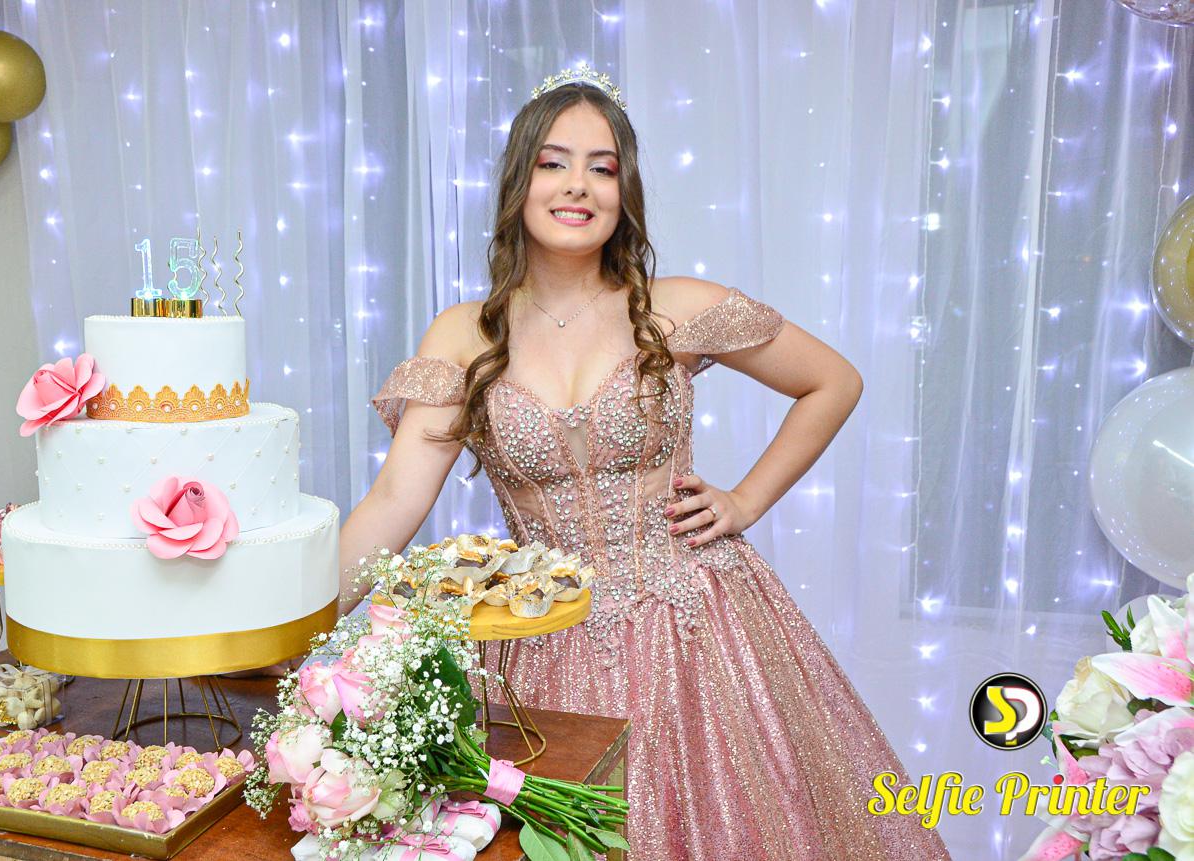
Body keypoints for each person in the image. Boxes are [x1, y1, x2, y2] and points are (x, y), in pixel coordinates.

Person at [338, 66, 950, 860]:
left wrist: (746, 500)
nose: (578, 184)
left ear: (623, 191)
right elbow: (394, 498)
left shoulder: (675, 307)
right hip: (542, 642)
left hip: (697, 627)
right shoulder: (464, 334)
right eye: (554, 162)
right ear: (518, 183)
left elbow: (833, 381)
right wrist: (296, 623)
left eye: (602, 167)